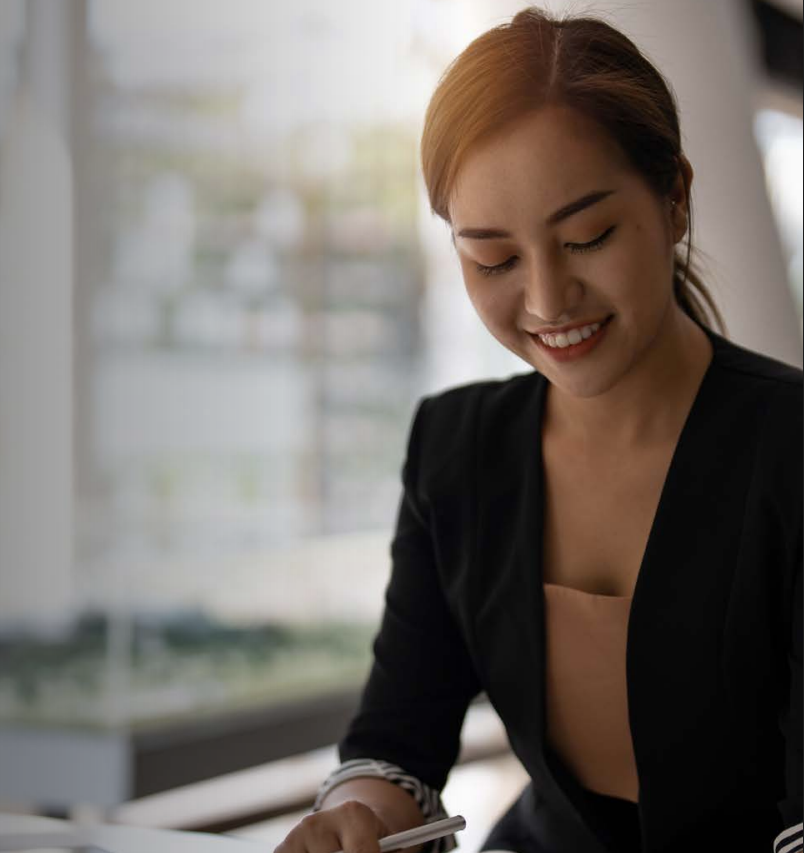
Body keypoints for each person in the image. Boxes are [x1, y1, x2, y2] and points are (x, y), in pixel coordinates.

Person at [274, 7, 802, 853]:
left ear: (674, 200)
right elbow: (397, 734)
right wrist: (358, 817)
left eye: (586, 237)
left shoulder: (789, 449)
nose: (548, 302)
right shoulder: (457, 448)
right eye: (494, 259)